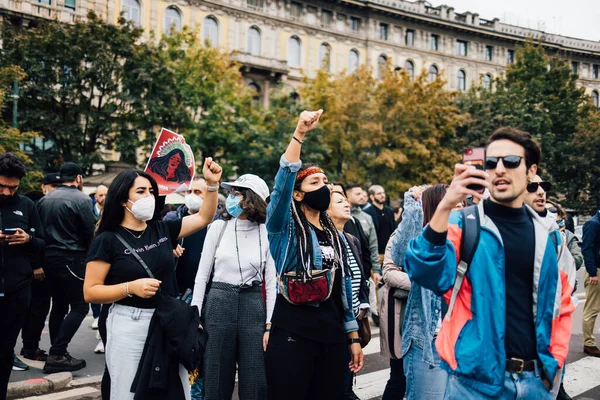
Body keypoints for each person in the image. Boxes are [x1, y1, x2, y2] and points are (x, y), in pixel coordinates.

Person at [404, 127, 576, 399]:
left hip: (535, 384)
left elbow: (561, 302)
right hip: (475, 384)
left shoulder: (548, 234)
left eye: (510, 161)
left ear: (531, 171)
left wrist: (553, 362)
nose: (499, 169)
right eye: (491, 162)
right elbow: (423, 270)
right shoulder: (464, 224)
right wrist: (446, 205)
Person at [83, 158, 222, 400]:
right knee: (128, 391)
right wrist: (130, 288)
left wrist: (212, 185)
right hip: (129, 323)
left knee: (173, 389)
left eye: (150, 190)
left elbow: (204, 218)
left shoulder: (161, 229)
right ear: (123, 199)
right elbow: (91, 291)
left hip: (168, 321)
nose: (148, 196)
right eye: (140, 191)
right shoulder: (106, 240)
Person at [265, 110, 363, 400]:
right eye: (314, 183)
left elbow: (342, 288)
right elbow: (283, 183)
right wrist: (299, 134)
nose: (325, 186)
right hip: (294, 334)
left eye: (326, 180)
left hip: (332, 335)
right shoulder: (284, 229)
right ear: (298, 194)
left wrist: (353, 336)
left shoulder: (335, 234)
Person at [191, 173, 275, 400]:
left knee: (255, 378)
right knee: (216, 376)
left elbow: (271, 281)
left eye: (237, 192)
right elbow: (202, 275)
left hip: (252, 303)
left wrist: (269, 323)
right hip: (219, 301)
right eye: (231, 192)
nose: (231, 196)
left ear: (252, 199)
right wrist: (195, 313)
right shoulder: (218, 228)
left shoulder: (267, 233)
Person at [391, 185, 460, 400]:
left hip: (463, 340)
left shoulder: (471, 236)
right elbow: (400, 253)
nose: (458, 206)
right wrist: (412, 206)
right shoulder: (421, 242)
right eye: (450, 201)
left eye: (460, 203)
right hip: (430, 341)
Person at [37, 162, 96, 373]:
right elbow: (91, 232)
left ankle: (58, 352)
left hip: (48, 258)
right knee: (80, 306)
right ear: (79, 178)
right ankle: (58, 353)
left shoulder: (45, 200)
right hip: (72, 258)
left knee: (59, 306)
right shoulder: (82, 200)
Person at [0, 153, 45, 399]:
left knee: (6, 350)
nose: (6, 192)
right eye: (1, 186)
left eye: (12, 187)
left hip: (17, 289)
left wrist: (27, 239)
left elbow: (42, 243)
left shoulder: (26, 205)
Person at [328, 184, 370, 400]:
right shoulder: (325, 242)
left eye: (345, 199)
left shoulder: (350, 239)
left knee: (345, 385)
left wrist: (363, 304)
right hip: (333, 327)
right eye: (339, 201)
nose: (346, 203)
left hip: (351, 324)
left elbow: (360, 278)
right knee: (340, 389)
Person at [19, 175, 63, 363]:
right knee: (35, 309)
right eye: (53, 186)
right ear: (44, 186)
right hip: (35, 268)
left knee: (39, 308)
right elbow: (32, 238)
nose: (56, 189)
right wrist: (36, 264)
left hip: (47, 264)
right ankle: (30, 347)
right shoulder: (33, 202)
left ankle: (30, 346)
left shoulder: (55, 203)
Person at [164, 176, 208, 295]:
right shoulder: (171, 218)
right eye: (189, 191)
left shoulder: (218, 222)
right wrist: (169, 247)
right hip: (175, 289)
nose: (192, 195)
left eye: (197, 192)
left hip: (205, 290)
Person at [581, 204, 600, 358]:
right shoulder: (593, 223)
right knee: (592, 309)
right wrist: (592, 272)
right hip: (596, 272)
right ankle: (589, 343)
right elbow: (587, 248)